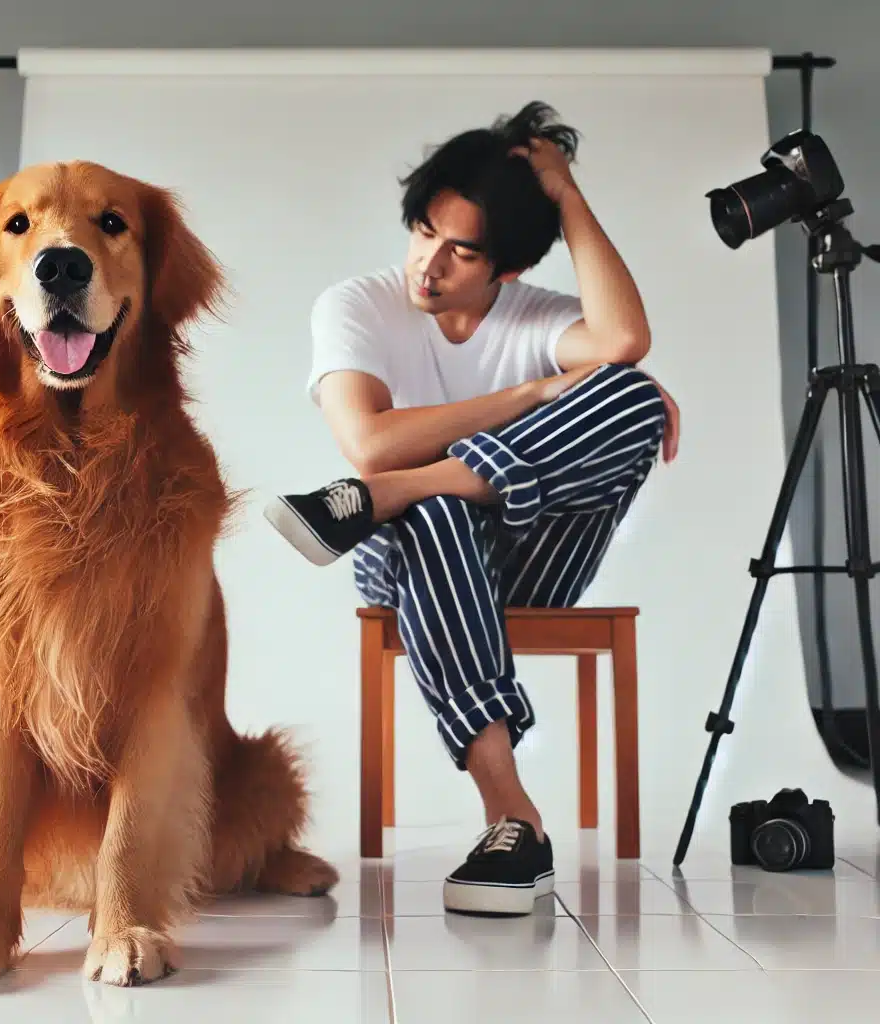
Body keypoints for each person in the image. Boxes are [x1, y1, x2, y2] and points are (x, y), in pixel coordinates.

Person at [263, 102, 680, 917]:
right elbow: (371, 447)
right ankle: (511, 817)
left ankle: (401, 500)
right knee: (437, 517)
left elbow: (625, 338)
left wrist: (564, 193)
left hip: (523, 557)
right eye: (423, 232)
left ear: (508, 269)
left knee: (630, 395)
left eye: (461, 251)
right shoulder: (356, 305)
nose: (428, 265)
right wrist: (529, 393)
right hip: (408, 567)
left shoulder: (539, 314)